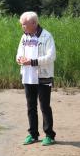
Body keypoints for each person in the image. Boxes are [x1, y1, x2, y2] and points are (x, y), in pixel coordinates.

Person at [16, 11, 56, 146]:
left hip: (43, 76)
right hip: (27, 76)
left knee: (44, 106)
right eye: (22, 25)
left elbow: (51, 57)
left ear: (34, 23)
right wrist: (19, 59)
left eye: (24, 24)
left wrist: (32, 62)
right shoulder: (24, 37)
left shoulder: (46, 36)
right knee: (30, 107)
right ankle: (33, 135)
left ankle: (49, 135)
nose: (23, 27)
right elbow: (19, 53)